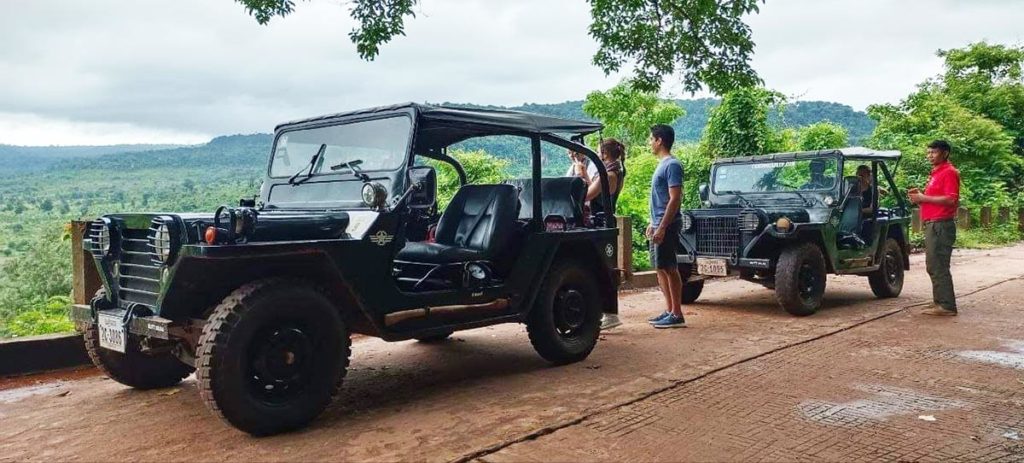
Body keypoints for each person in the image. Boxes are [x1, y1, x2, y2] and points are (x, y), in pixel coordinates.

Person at [571, 139, 627, 330]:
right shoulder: (613, 170)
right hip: (601, 219)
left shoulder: (610, 174)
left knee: (606, 267)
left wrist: (582, 175)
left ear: (604, 154)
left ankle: (611, 314)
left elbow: (588, 194)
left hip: (603, 221)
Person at [908, 140, 961, 316]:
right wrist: (920, 197)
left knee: (938, 264)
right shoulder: (936, 173)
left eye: (934, 152)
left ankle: (946, 305)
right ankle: (939, 301)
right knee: (933, 264)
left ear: (945, 153)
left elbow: (950, 199)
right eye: (929, 152)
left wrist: (923, 198)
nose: (930, 155)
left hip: (941, 224)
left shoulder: (949, 172)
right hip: (933, 223)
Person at [645, 125, 686, 329]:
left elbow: (675, 199)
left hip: (667, 224)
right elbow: (659, 200)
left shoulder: (672, 165)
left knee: (670, 267)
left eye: (651, 139)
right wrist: (652, 223)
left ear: (660, 140)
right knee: (660, 267)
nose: (649, 143)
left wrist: (662, 226)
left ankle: (677, 314)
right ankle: (669, 310)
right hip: (659, 223)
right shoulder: (662, 165)